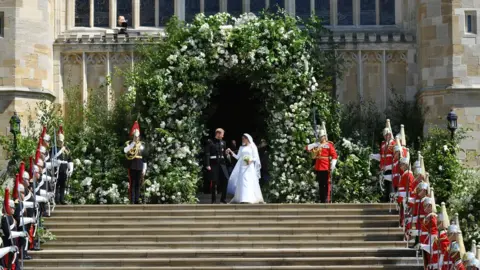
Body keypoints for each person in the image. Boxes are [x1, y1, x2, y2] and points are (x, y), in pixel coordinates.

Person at [226, 134, 264, 204]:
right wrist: (231, 152)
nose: (242, 140)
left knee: (249, 181)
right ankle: (243, 198)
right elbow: (238, 157)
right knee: (242, 181)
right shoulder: (241, 147)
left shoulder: (252, 146)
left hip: (249, 166)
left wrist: (250, 160)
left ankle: (249, 198)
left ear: (247, 139)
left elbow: (256, 157)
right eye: (242, 139)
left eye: (244, 139)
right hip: (242, 167)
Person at [305, 122, 338, 203]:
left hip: (325, 166)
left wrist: (333, 164)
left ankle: (326, 199)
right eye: (320, 137)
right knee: (320, 184)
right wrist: (313, 144)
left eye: (322, 136)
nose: (321, 138)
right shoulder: (317, 144)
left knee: (326, 184)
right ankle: (322, 199)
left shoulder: (329, 145)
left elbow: (334, 155)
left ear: (324, 136)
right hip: (318, 167)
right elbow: (307, 148)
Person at [370, 119, 397, 202]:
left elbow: (396, 157)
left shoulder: (394, 143)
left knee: (391, 185)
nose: (387, 136)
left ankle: (391, 200)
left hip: (391, 168)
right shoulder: (383, 144)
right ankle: (386, 200)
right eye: (385, 135)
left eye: (388, 134)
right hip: (383, 168)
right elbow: (381, 156)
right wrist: (373, 156)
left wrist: (389, 166)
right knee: (385, 185)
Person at [123, 121, 147, 204]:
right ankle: (132, 200)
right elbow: (125, 151)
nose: (137, 138)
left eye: (137, 137)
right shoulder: (129, 143)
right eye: (135, 137)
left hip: (140, 166)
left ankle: (137, 199)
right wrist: (133, 143)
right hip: (133, 165)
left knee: (138, 183)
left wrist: (144, 169)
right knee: (132, 183)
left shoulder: (142, 145)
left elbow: (144, 158)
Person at [204, 128, 230, 204]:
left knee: (226, 179)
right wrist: (208, 164)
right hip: (214, 164)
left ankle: (223, 199)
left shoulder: (223, 142)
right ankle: (213, 200)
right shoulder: (210, 142)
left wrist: (227, 154)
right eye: (222, 134)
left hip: (222, 164)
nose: (223, 135)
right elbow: (207, 154)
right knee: (214, 182)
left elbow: (224, 154)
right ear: (218, 134)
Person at [51, 126, 74, 205]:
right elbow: (51, 159)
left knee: (63, 185)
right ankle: (56, 199)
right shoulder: (54, 149)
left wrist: (71, 168)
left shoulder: (66, 149)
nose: (60, 142)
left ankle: (62, 199)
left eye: (62, 141)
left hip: (64, 169)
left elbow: (70, 159)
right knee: (56, 185)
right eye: (59, 141)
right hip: (57, 168)